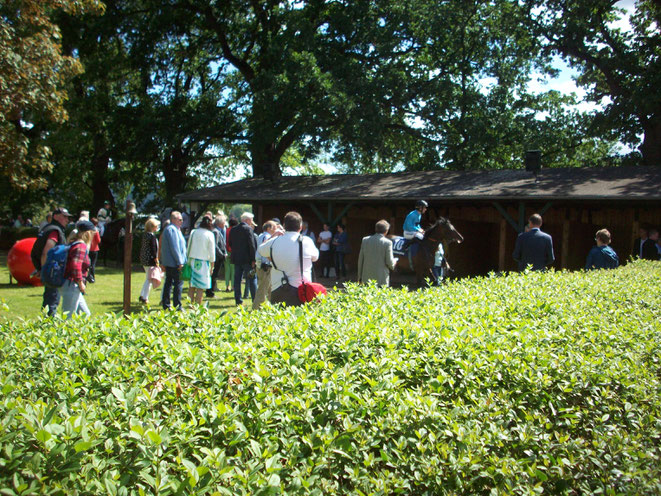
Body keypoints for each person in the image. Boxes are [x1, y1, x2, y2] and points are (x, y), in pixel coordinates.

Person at [257, 211, 319, 306]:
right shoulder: (307, 241)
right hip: (302, 290)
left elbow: (261, 250)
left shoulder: (274, 241)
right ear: (301, 227)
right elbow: (315, 257)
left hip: (278, 289)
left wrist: (274, 235)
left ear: (284, 225)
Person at [37, 207, 73, 316]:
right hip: (53, 272)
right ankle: (49, 326)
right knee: (52, 300)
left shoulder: (50, 228)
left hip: (50, 270)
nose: (67, 220)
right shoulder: (54, 231)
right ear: (56, 217)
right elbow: (46, 252)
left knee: (50, 299)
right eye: (64, 217)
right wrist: (45, 271)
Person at [61, 220, 95, 319]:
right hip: (72, 284)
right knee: (67, 317)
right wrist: (80, 283)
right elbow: (75, 266)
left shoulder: (74, 243)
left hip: (70, 284)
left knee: (85, 315)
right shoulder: (81, 246)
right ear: (88, 233)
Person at [186, 216, 216, 305]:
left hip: (192, 260)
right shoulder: (210, 234)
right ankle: (197, 306)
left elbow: (188, 246)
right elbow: (212, 252)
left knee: (191, 286)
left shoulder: (193, 232)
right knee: (200, 287)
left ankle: (190, 305)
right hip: (203, 262)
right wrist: (212, 265)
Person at [160, 211, 187, 310]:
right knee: (177, 284)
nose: (181, 221)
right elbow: (174, 247)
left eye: (182, 220)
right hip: (174, 263)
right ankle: (177, 305)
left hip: (172, 262)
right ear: (173, 219)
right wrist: (180, 261)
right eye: (180, 219)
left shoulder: (175, 229)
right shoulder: (171, 229)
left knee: (169, 283)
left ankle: (167, 304)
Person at [229, 212, 257, 305]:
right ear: (247, 220)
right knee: (252, 279)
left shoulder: (233, 229)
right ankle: (254, 300)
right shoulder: (248, 229)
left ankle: (238, 300)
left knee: (237, 280)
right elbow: (252, 245)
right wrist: (253, 259)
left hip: (237, 258)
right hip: (247, 259)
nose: (252, 222)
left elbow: (230, 243)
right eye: (251, 220)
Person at [357, 219, 396, 287]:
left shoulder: (365, 240)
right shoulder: (388, 243)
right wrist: (394, 262)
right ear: (386, 231)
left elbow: (360, 260)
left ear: (376, 229)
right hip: (381, 280)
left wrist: (359, 277)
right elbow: (390, 263)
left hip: (366, 279)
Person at [253, 220, 277, 309]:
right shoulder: (267, 236)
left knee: (269, 288)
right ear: (268, 228)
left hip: (261, 265)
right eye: (274, 227)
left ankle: (272, 306)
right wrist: (267, 262)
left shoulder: (261, 236)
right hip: (265, 266)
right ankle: (257, 308)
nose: (276, 229)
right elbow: (264, 251)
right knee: (262, 289)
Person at [139, 218, 160, 304]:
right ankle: (145, 297)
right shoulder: (152, 236)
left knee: (148, 278)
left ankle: (142, 295)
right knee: (150, 279)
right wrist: (156, 259)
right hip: (150, 260)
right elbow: (153, 249)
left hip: (144, 259)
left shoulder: (145, 235)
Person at [206, 215, 227, 298]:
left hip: (219, 256)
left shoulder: (218, 231)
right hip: (217, 257)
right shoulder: (215, 231)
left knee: (215, 275)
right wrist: (222, 255)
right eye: (224, 222)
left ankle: (210, 291)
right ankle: (210, 292)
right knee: (213, 275)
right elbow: (214, 245)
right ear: (220, 223)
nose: (225, 224)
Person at [225, 217, 238, 292]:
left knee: (227, 270)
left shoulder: (226, 230)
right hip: (234, 252)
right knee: (233, 270)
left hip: (227, 251)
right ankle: (233, 286)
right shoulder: (236, 231)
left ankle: (227, 286)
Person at [87, 218, 101, 283]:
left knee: (87, 263)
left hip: (88, 248)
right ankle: (92, 277)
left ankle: (87, 276)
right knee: (93, 264)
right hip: (95, 249)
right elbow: (98, 240)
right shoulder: (96, 231)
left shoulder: (87, 231)